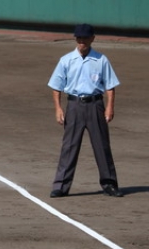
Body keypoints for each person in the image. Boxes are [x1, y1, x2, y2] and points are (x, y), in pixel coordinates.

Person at [47, 23, 122, 198]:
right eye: (79, 38)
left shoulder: (101, 60)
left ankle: (109, 183)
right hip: (74, 105)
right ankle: (61, 186)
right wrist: (58, 108)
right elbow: (56, 86)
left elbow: (110, 86)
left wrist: (110, 107)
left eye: (85, 38)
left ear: (92, 39)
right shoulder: (66, 60)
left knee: (102, 145)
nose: (82, 41)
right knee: (69, 146)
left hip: (96, 105)